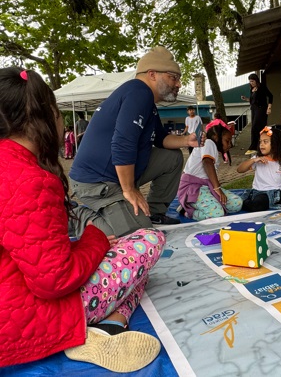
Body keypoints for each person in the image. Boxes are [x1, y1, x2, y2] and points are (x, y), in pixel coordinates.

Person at [0, 67, 164, 372]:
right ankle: (100, 324)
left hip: (13, 294)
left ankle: (112, 325)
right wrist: (95, 241)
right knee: (148, 240)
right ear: (45, 116)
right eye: (58, 111)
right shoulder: (30, 180)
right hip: (26, 318)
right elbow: (54, 280)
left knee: (135, 274)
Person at [69, 46, 202, 237]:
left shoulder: (147, 101)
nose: (179, 84)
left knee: (172, 158)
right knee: (136, 235)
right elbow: (123, 143)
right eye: (173, 77)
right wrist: (129, 189)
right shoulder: (139, 92)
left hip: (116, 174)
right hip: (96, 181)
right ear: (152, 74)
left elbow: (162, 139)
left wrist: (187, 140)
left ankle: (155, 213)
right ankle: (75, 216)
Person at [177, 123, 242, 220]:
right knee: (217, 214)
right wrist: (217, 188)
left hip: (206, 187)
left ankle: (204, 204)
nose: (230, 145)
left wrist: (215, 188)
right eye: (227, 141)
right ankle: (187, 211)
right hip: (193, 188)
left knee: (237, 203)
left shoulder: (212, 148)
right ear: (216, 137)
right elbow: (207, 163)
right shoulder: (208, 143)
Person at [241, 73, 273, 155]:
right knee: (254, 128)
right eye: (250, 81)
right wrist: (246, 99)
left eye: (252, 81)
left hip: (261, 108)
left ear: (256, 80)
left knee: (256, 126)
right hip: (254, 109)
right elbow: (253, 101)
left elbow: (270, 96)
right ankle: (257, 146)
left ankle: (254, 147)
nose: (251, 83)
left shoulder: (261, 87)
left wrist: (269, 107)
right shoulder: (251, 89)